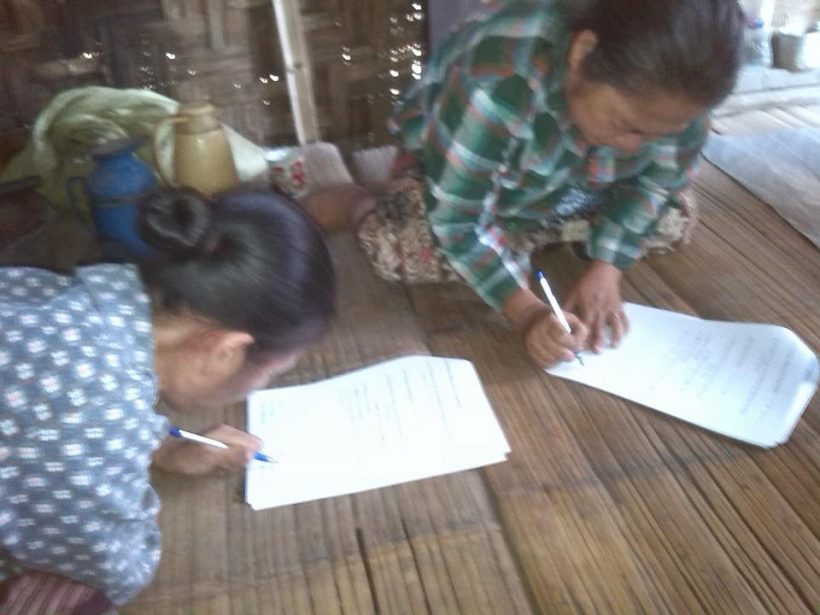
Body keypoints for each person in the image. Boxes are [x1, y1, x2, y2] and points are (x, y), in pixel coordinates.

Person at [302, 0, 743, 367]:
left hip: (570, 184)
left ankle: (519, 239)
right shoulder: (499, 77)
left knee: (674, 217)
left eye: (659, 133)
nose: (633, 146)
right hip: (461, 162)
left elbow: (657, 183)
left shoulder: (682, 93)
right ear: (582, 53)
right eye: (626, 125)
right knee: (402, 248)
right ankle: (358, 201)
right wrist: (529, 314)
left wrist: (607, 268)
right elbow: (458, 222)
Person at [0, 187, 335, 612]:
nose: (261, 385)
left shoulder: (101, 298)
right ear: (224, 351)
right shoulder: (93, 405)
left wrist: (162, 449)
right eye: (271, 373)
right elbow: (114, 566)